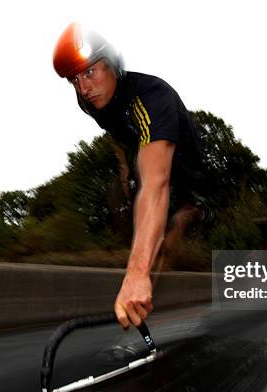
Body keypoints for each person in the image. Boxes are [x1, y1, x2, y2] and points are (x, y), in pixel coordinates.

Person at [52, 23, 208, 329]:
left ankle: (149, 293)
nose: (83, 88)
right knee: (121, 201)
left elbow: (156, 183)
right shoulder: (90, 103)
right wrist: (125, 168)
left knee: (166, 222)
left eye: (90, 73)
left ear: (113, 65)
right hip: (144, 153)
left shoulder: (152, 96)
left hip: (186, 172)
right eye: (74, 79)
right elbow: (117, 135)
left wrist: (136, 272)